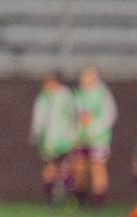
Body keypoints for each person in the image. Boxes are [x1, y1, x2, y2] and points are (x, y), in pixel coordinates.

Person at [72, 66, 118, 205]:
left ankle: (98, 201)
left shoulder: (102, 94)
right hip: (81, 138)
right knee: (80, 168)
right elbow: (74, 117)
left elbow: (110, 116)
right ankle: (80, 197)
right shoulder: (78, 94)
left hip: (98, 139)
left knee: (98, 167)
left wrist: (96, 130)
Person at [31, 72, 76, 204]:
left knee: (66, 168)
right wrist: (36, 134)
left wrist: (73, 135)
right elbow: (38, 119)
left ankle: (69, 197)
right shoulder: (43, 98)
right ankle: (50, 198)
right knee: (49, 168)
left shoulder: (66, 96)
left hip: (64, 140)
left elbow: (72, 117)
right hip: (48, 141)